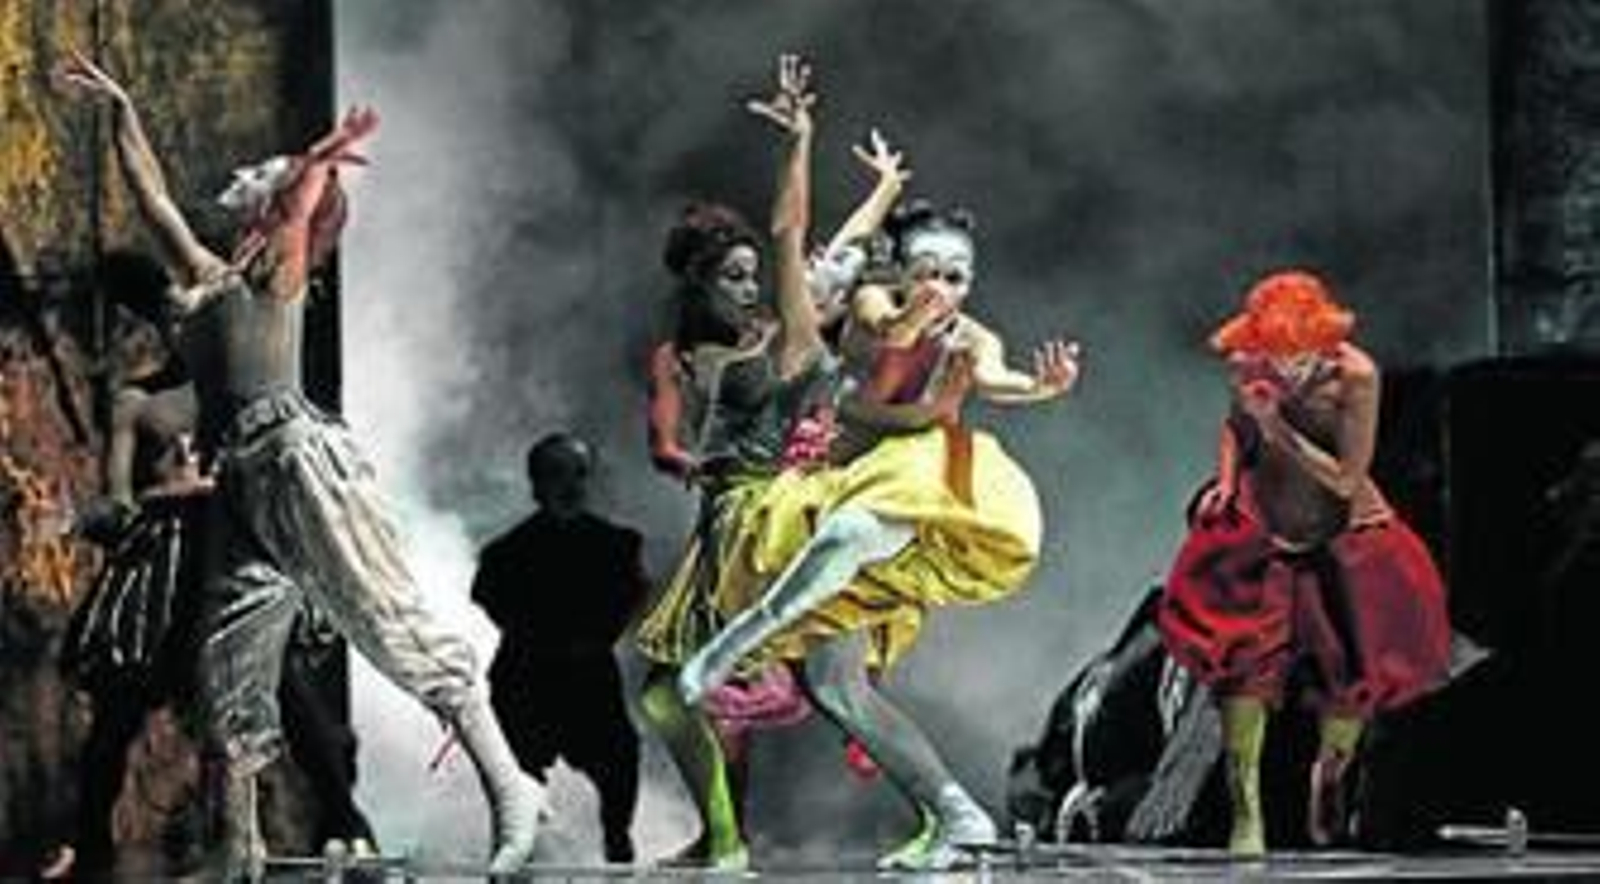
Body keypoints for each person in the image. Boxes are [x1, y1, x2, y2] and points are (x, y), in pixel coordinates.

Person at [54, 49, 545, 876]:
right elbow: (153, 197)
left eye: (267, 193)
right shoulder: (203, 281)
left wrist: (315, 166)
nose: (250, 197)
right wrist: (120, 108)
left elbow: (294, 213)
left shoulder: (278, 277)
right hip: (242, 476)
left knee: (383, 619)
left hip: (295, 458)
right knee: (231, 653)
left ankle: (511, 787)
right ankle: (239, 844)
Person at [675, 193, 1081, 870]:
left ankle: (732, 648)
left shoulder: (969, 333)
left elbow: (996, 376)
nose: (944, 289)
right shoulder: (871, 301)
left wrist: (1041, 387)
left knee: (855, 532)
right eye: (930, 271)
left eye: (957, 277)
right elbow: (887, 335)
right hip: (840, 472)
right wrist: (912, 312)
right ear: (897, 268)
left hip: (916, 471)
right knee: (836, 688)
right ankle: (958, 813)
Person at [1156, 269, 1452, 857]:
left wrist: (1278, 430)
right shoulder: (1251, 365)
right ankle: (1247, 811)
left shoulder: (1356, 377)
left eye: (1295, 357)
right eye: (1271, 355)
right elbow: (1236, 428)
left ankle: (1332, 775)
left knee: (1352, 670)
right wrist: (1226, 478)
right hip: (1266, 530)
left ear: (1323, 343)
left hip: (1344, 534)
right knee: (1243, 666)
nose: (1281, 370)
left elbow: (1346, 478)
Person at [470, 432, 649, 864]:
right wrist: (547, 643)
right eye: (556, 476)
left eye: (578, 475)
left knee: (620, 757)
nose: (569, 487)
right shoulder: (504, 555)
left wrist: (589, 641)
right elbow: (492, 602)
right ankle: (518, 853)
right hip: (525, 682)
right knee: (516, 781)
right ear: (536, 483)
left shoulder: (618, 545)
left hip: (588, 680)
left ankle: (617, 842)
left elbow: (632, 598)